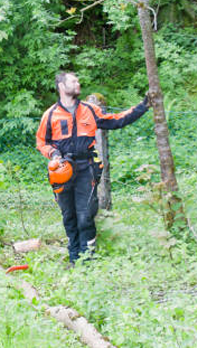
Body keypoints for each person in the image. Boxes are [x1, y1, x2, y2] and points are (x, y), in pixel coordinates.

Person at [36, 72, 150, 264]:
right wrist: (54, 154)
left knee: (85, 215)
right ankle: (74, 259)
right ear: (62, 87)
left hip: (85, 168)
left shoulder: (90, 110)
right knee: (68, 216)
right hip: (61, 171)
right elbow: (41, 142)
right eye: (74, 81)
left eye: (78, 81)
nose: (78, 83)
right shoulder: (50, 115)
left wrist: (144, 106)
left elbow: (117, 119)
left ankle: (87, 258)